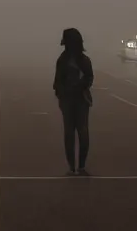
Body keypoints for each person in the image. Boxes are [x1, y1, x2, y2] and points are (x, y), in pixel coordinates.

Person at [53, 27, 94, 176]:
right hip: (67, 100)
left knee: (82, 133)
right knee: (69, 133)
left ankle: (81, 165)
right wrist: (62, 93)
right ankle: (72, 166)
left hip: (81, 100)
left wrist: (78, 88)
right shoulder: (62, 60)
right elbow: (57, 82)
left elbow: (89, 78)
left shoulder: (84, 61)